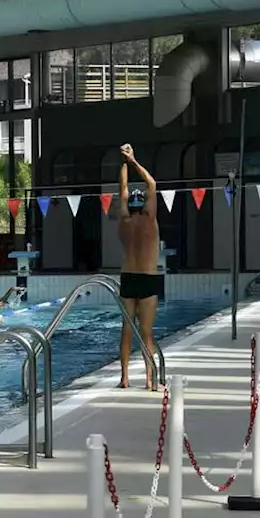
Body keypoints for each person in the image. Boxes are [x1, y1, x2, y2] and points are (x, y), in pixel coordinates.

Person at [117, 143, 160, 390]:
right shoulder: (149, 221)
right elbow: (152, 184)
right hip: (147, 277)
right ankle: (149, 379)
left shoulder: (124, 222)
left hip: (128, 277)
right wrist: (133, 161)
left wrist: (123, 162)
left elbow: (122, 188)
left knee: (127, 330)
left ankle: (124, 378)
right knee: (146, 332)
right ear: (143, 205)